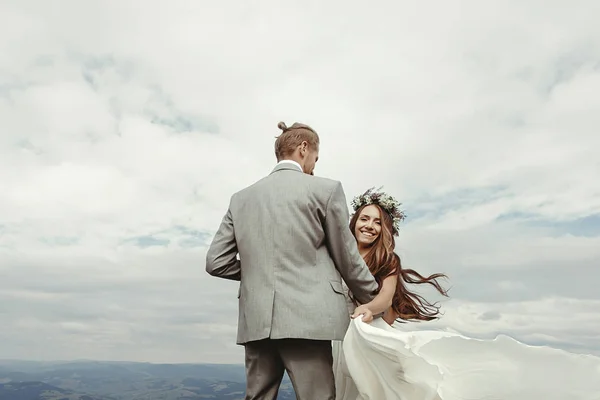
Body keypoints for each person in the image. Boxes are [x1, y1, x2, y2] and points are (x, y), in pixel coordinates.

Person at [334, 188, 600, 399]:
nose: (369, 225)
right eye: (364, 218)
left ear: (385, 229)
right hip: (336, 333)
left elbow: (385, 299)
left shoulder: (388, 260)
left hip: (364, 328)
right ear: (354, 221)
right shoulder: (337, 253)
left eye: (377, 222)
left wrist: (370, 309)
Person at [205, 121, 379, 400]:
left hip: (257, 319)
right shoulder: (326, 190)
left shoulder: (240, 199)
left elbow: (216, 262)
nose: (314, 165)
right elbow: (347, 256)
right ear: (303, 149)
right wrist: (373, 297)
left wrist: (259, 271)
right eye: (315, 158)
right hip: (307, 318)